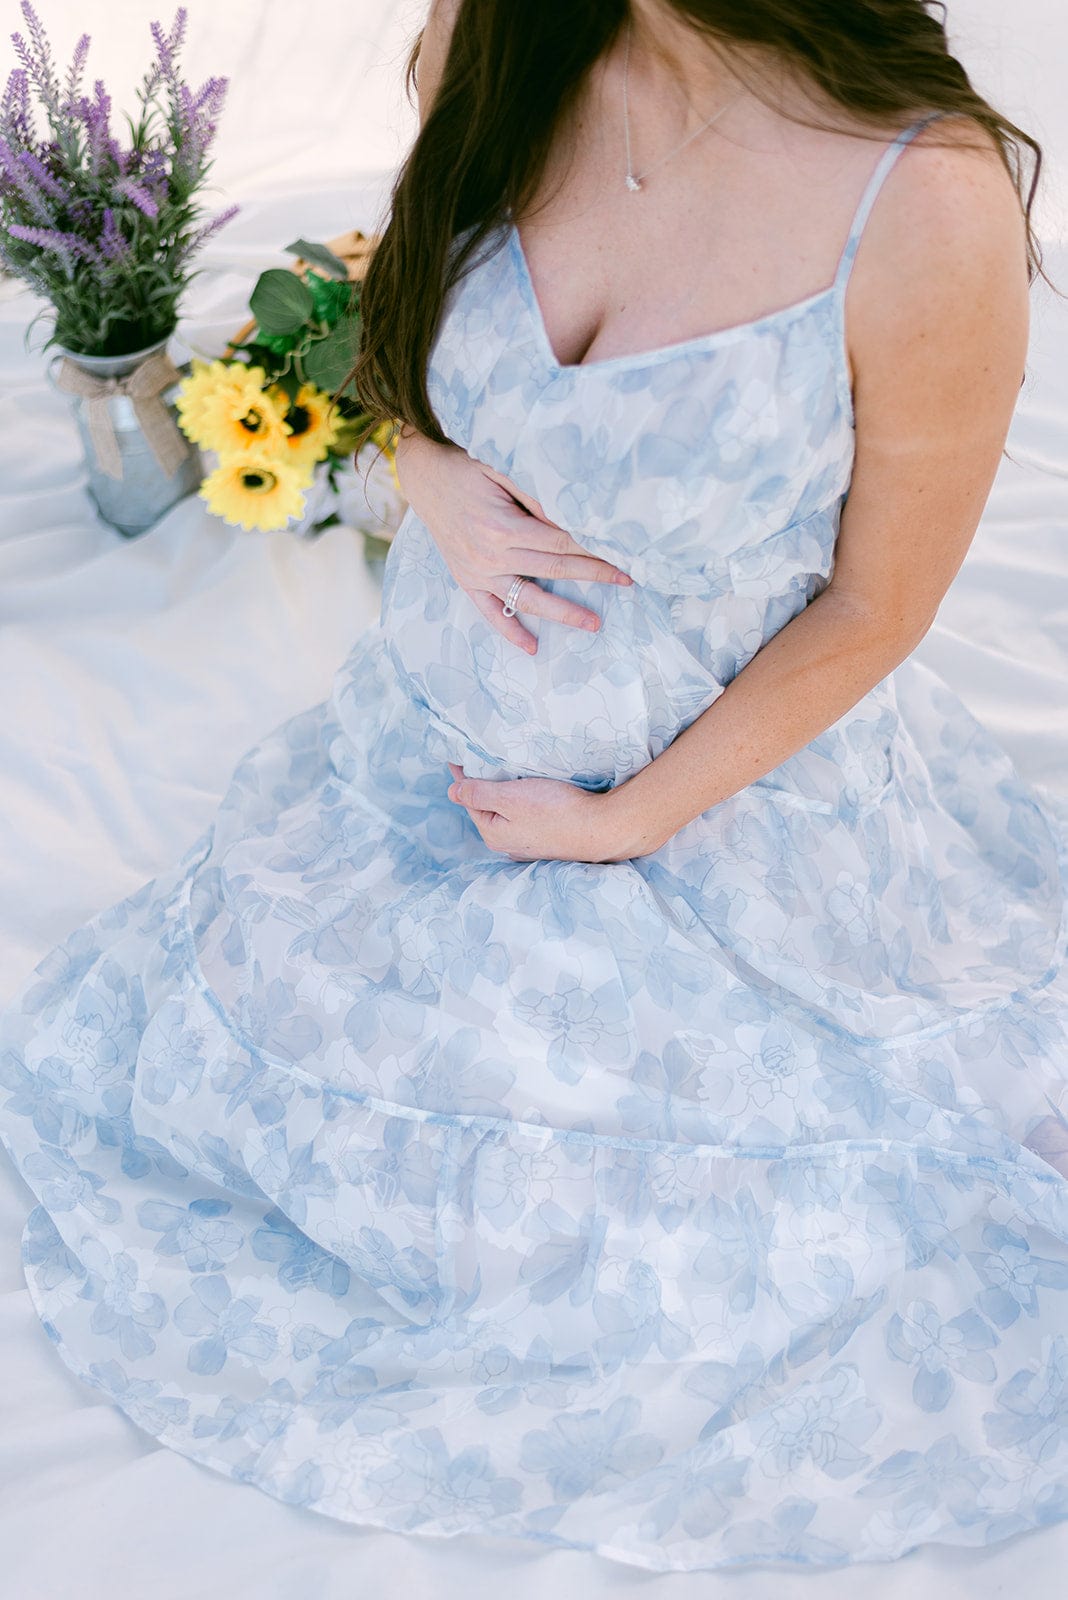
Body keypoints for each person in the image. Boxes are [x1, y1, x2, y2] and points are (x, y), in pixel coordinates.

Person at [2, 0, 1067, 1574]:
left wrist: (626, 821)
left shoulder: (925, 194)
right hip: (415, 753)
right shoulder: (497, 34)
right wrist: (428, 469)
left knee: (668, 1263)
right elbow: (406, 306)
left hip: (713, 808)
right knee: (256, 1115)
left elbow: (877, 607)